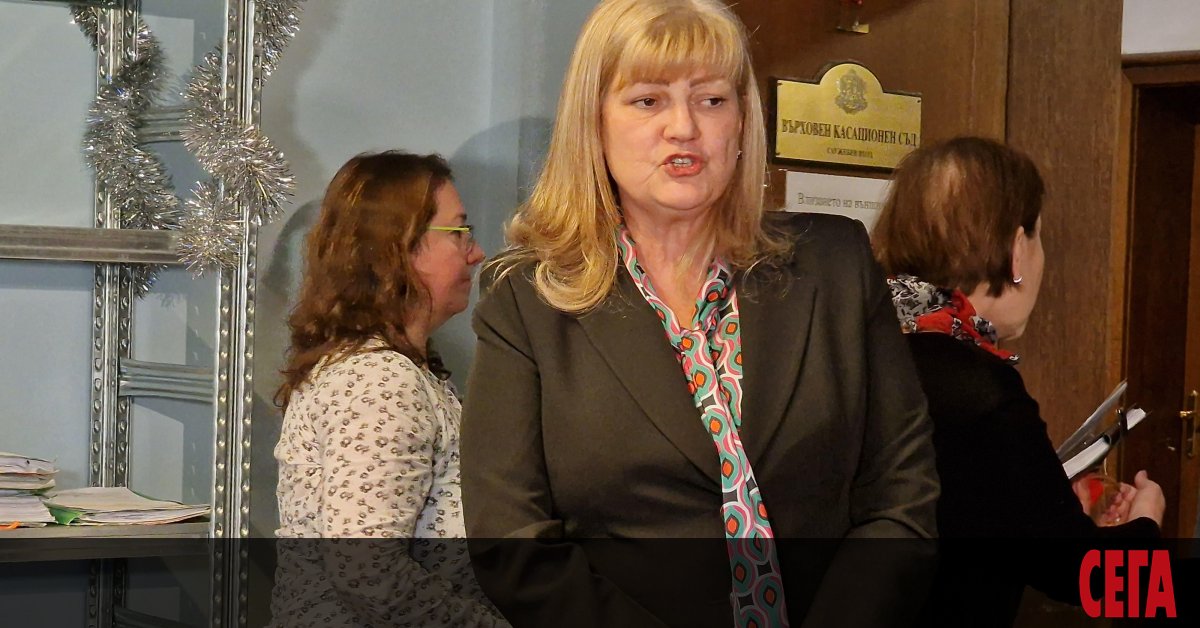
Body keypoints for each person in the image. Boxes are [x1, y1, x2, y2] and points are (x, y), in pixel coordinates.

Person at [460, 1, 940, 626]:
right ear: (593, 124)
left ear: (741, 123)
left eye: (711, 100)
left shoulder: (836, 263)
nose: (683, 127)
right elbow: (511, 541)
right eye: (648, 101)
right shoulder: (527, 299)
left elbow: (902, 495)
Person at [871, 136, 1167, 626]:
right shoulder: (980, 392)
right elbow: (1097, 582)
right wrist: (1146, 525)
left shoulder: (861, 346)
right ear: (1015, 251)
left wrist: (1050, 502)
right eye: (1039, 237)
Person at [269, 151, 506, 627]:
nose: (476, 252)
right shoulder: (380, 380)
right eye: (459, 231)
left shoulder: (394, 370)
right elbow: (366, 570)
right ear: (399, 248)